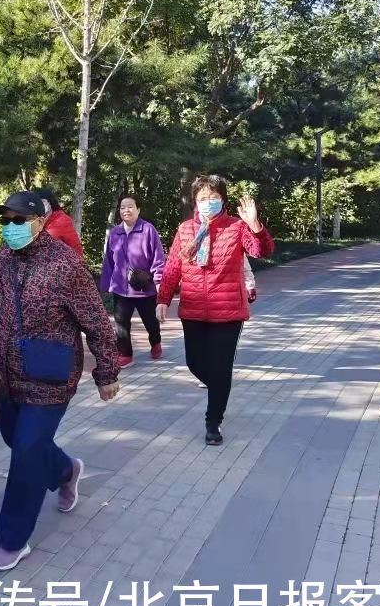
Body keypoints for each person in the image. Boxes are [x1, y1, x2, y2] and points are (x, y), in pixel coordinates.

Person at [0, 190, 119, 572]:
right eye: (5, 220)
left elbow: (97, 322)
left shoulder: (66, 265)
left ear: (40, 222)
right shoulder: (4, 257)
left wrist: (106, 372)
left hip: (49, 376)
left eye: (18, 220)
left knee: (25, 452)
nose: (10, 227)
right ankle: (65, 471)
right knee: (16, 439)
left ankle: (12, 540)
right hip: (7, 373)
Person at [156, 175, 274, 447]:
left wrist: (255, 224)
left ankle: (213, 421)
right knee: (194, 363)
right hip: (193, 308)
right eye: (202, 198)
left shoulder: (237, 227)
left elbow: (262, 250)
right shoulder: (186, 229)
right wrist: (163, 298)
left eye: (213, 197)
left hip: (228, 311)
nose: (208, 202)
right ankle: (220, 388)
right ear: (195, 201)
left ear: (223, 199)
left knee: (221, 368)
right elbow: (174, 266)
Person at [99, 193, 166, 367]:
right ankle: (125, 354)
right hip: (121, 287)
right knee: (121, 322)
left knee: (151, 321)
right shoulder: (115, 232)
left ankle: (155, 342)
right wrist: (106, 284)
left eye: (130, 206)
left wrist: (159, 282)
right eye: (122, 207)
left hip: (144, 287)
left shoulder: (148, 230)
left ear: (138, 209)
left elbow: (158, 258)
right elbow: (109, 261)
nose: (126, 210)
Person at [35, 187, 84, 257]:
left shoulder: (62, 220)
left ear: (50, 202)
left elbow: (76, 247)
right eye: (36, 203)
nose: (39, 206)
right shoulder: (34, 221)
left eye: (42, 202)